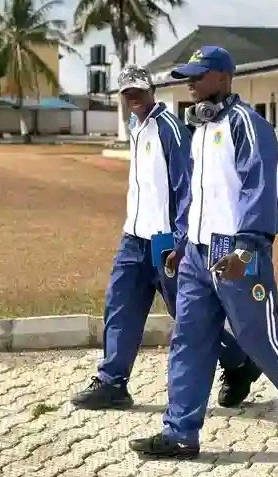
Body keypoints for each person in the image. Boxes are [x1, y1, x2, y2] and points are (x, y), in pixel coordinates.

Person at [129, 47, 278, 459]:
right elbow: (193, 195)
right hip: (197, 254)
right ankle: (180, 434)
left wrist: (246, 249)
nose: (191, 83)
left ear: (224, 77)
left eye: (198, 75)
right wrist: (181, 242)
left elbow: (260, 190)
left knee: (258, 340)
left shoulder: (247, 124)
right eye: (188, 77)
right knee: (188, 340)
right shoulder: (200, 128)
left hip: (237, 254)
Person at [71, 64, 262, 410]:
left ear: (151, 91)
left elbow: (187, 187)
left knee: (187, 315)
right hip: (134, 238)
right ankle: (113, 382)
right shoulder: (136, 127)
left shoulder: (169, 128)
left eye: (138, 90)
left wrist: (181, 240)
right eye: (127, 92)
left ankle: (238, 362)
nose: (133, 97)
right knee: (119, 305)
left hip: (165, 242)